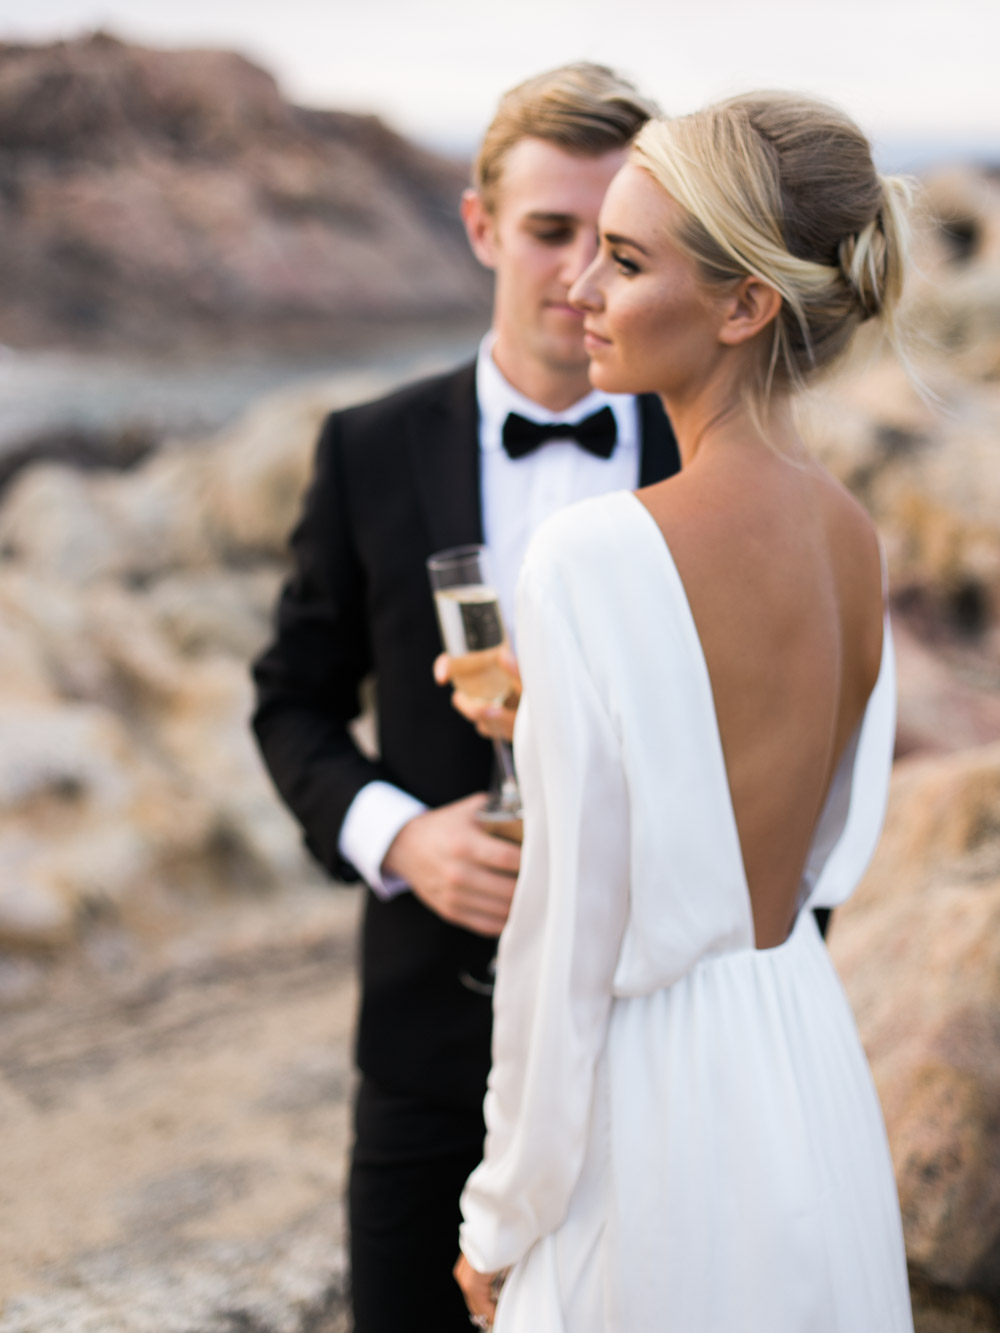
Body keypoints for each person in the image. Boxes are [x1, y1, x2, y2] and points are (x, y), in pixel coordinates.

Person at [455, 93, 915, 1331]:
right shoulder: (853, 539)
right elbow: (821, 849)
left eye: (626, 258)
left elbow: (561, 949)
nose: (582, 292)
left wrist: (501, 1216)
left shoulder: (590, 554)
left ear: (742, 303)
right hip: (803, 1058)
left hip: (651, 1106)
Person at [250, 63, 679, 1333]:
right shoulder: (367, 448)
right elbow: (291, 704)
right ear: (482, 227)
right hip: (428, 1041)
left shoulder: (707, 463)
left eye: (617, 243)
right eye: (550, 231)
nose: (578, 276)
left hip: (648, 1037)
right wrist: (399, 835)